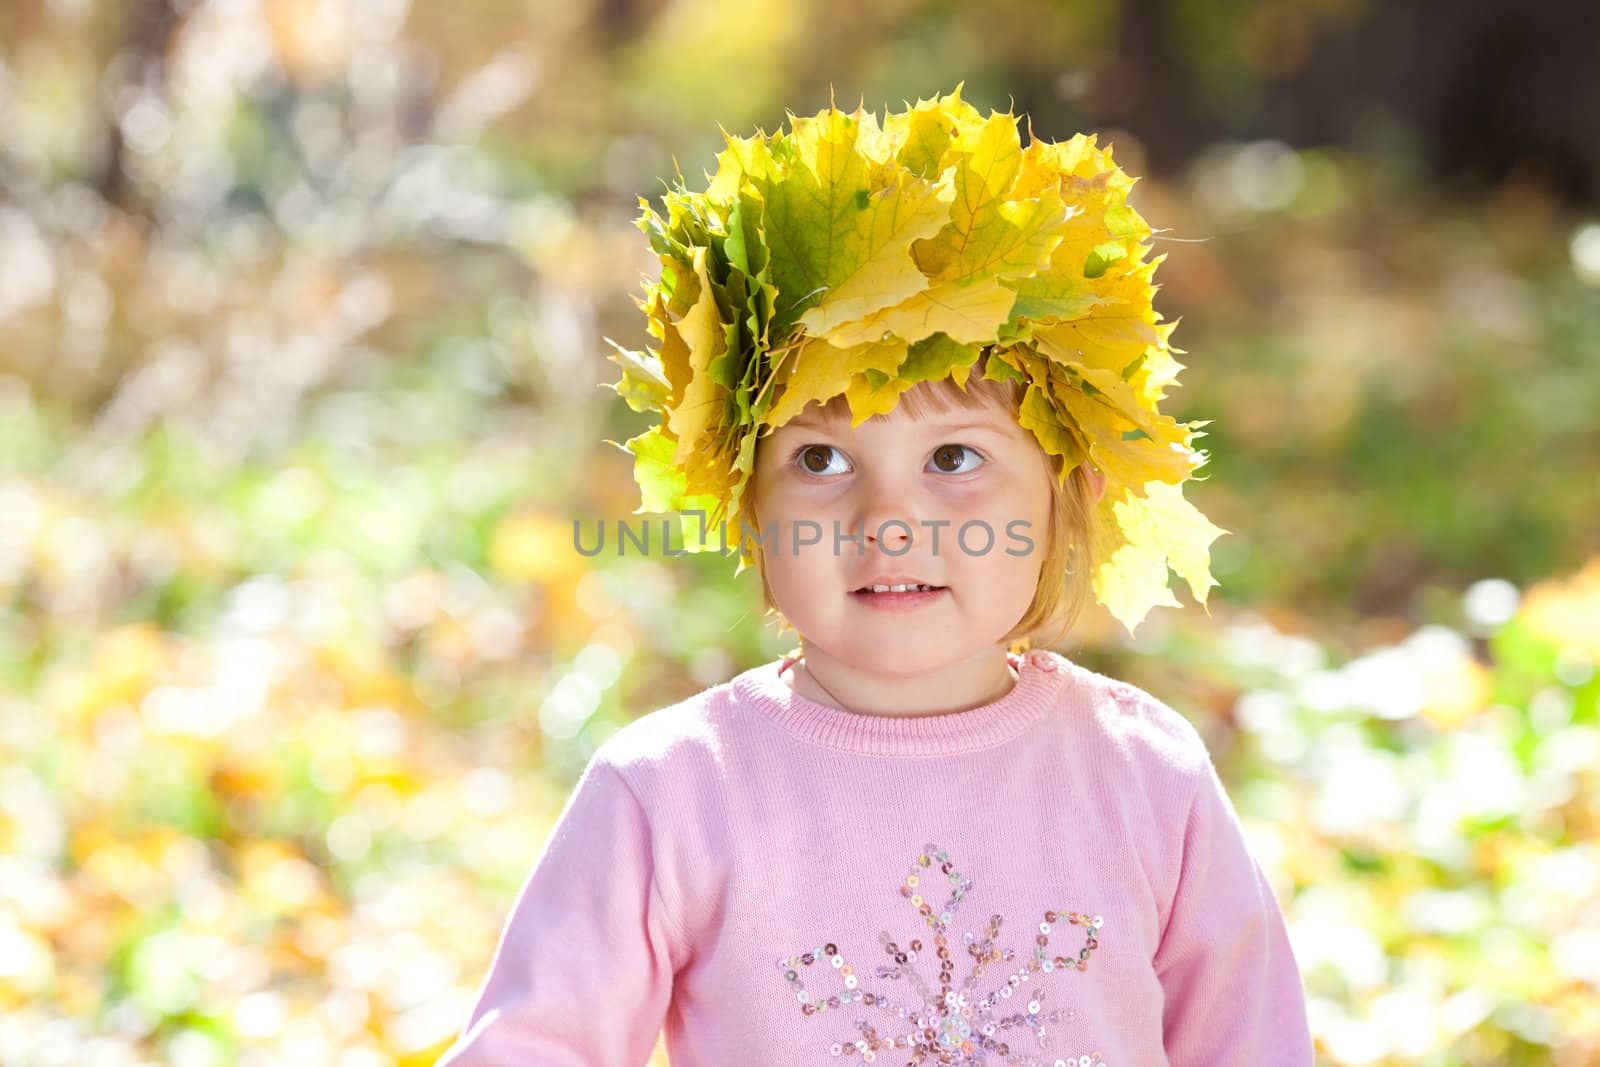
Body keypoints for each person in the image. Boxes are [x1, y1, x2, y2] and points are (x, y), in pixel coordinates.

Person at [435, 84, 1315, 1066]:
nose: (888, 521)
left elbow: (1249, 1041)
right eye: (819, 460)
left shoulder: (1143, 777)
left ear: (1066, 488)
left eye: (953, 459)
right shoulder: (675, 794)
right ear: (746, 501)